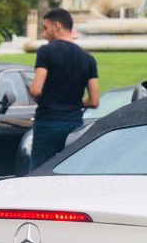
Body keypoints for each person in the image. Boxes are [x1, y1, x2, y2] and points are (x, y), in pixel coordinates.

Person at [28, 9, 99, 172]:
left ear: (57, 26)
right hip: (74, 124)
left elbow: (36, 90)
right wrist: (72, 100)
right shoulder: (88, 59)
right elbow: (94, 101)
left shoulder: (46, 52)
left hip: (48, 123)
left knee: (40, 173)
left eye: (45, 28)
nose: (44, 35)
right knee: (70, 171)